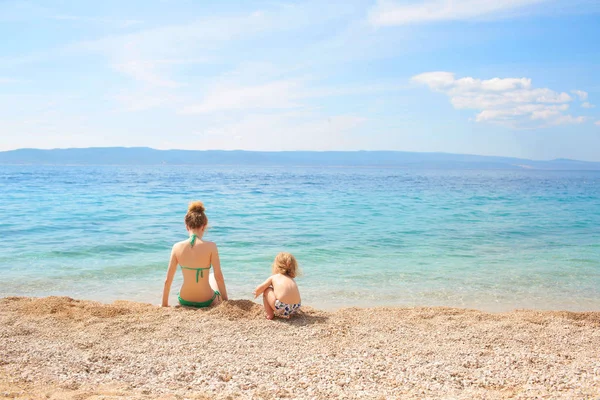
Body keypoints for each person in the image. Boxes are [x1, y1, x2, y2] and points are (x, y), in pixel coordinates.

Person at [162, 201, 228, 308]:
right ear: (204, 226)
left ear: (187, 226)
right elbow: (219, 277)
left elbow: (167, 280)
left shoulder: (176, 247)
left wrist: (164, 304)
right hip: (206, 300)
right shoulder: (211, 246)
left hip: (184, 299)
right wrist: (226, 301)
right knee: (212, 276)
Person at [253, 252, 301, 319]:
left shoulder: (274, 277)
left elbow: (261, 287)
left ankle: (270, 315)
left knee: (267, 290)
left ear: (276, 266)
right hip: (296, 307)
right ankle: (291, 314)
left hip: (282, 307)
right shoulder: (292, 279)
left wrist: (257, 292)